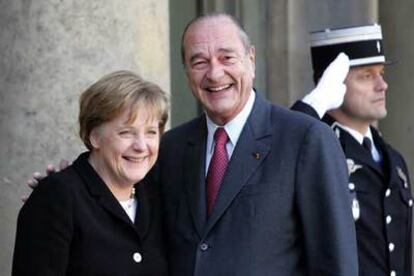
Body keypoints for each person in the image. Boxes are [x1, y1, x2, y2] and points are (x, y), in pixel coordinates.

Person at [24, 13, 358, 276]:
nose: (214, 74)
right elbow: (120, 209)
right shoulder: (169, 148)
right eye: (199, 62)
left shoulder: (306, 140)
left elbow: (335, 262)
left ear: (251, 61)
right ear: (186, 72)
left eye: (227, 57)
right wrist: (63, 192)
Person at [13, 71, 169, 275]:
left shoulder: (156, 197)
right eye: (126, 133)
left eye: (151, 132)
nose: (141, 146)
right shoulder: (59, 196)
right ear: (94, 136)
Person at [292, 24, 413, 276]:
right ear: (332, 83)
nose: (383, 85)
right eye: (366, 76)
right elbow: (279, 155)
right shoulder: (312, 152)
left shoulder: (394, 162)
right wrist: (315, 103)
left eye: (381, 73)